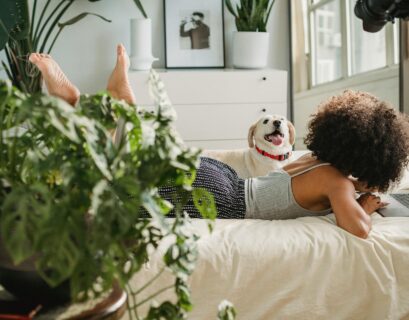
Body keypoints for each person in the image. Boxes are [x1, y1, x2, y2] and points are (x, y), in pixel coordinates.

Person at [29, 45, 409, 239]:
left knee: (143, 162)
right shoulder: (336, 180)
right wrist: (366, 201)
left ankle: (122, 106)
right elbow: (358, 229)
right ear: (371, 161)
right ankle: (78, 105)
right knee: (126, 193)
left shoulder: (309, 158)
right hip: (223, 199)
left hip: (220, 176)